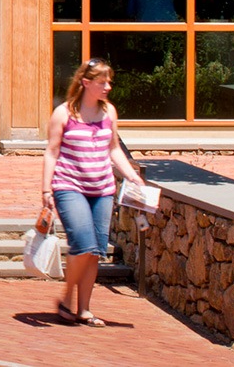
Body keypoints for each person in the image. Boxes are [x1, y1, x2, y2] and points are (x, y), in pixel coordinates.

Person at [43, 59, 144, 326]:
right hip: (69, 186)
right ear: (86, 83)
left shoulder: (108, 112)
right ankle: (66, 298)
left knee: (94, 251)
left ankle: (84, 308)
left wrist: (133, 177)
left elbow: (114, 150)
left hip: (102, 189)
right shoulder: (63, 114)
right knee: (83, 244)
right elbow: (52, 151)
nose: (108, 87)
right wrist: (45, 189)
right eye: (102, 82)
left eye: (109, 82)